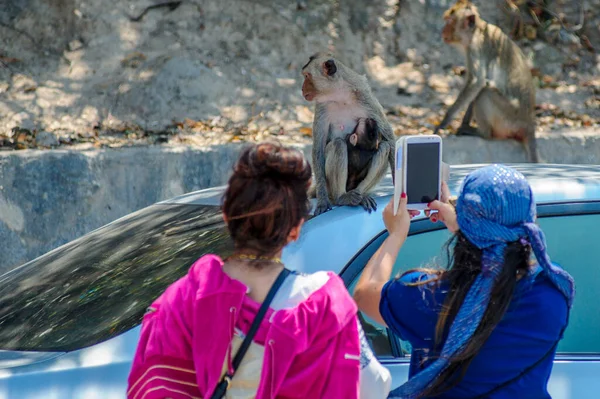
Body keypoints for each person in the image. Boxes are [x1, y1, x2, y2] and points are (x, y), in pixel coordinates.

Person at [127, 142, 391, 399]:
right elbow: (374, 387)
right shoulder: (326, 305)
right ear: (296, 229)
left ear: (227, 217)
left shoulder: (179, 302)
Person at [353, 164, 575, 398]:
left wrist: (396, 234)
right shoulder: (553, 293)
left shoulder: (428, 298)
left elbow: (365, 294)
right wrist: (467, 227)